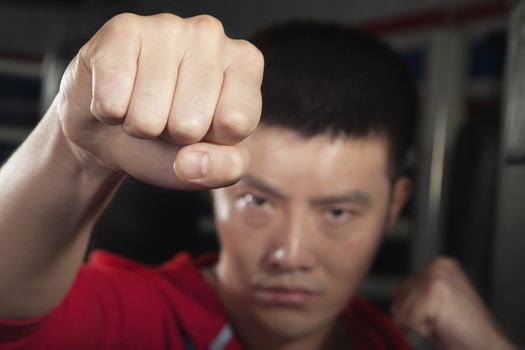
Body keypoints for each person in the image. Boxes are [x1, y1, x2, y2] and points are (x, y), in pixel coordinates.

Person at [0, 13, 516, 350]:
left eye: (337, 213)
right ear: (216, 187)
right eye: (257, 200)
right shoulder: (145, 320)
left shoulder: (384, 341)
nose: (289, 254)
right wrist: (73, 150)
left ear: (393, 206)